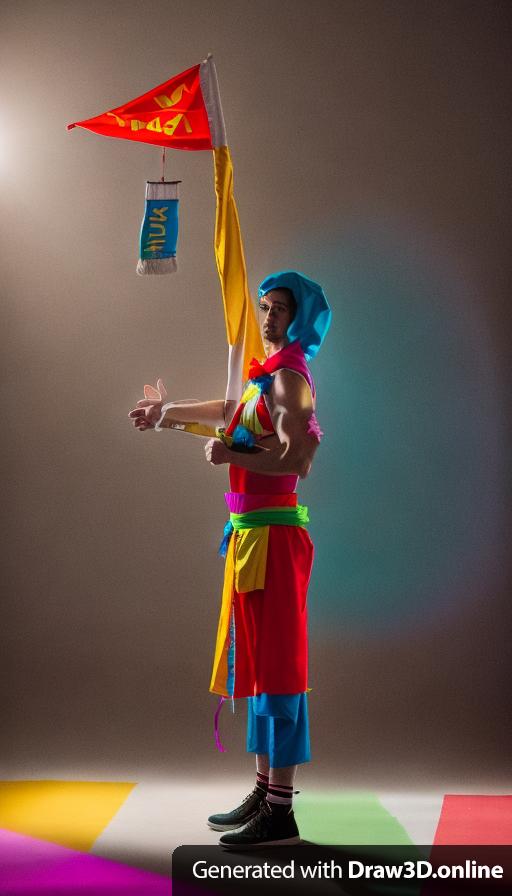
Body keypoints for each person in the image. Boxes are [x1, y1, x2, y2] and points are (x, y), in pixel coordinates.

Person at [128, 270, 331, 848]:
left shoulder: (291, 378)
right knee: (257, 667)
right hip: (248, 537)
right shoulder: (260, 380)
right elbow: (225, 413)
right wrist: (166, 414)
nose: (267, 317)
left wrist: (234, 455)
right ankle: (265, 789)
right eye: (264, 306)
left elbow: (301, 459)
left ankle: (282, 808)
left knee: (280, 671)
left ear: (299, 318)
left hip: (275, 536)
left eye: (280, 308)